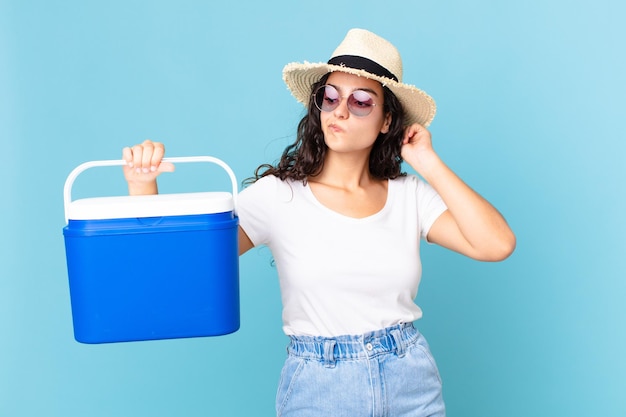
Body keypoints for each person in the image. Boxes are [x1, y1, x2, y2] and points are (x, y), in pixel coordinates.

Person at [122, 28, 515, 417]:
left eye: (361, 101)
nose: (340, 111)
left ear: (386, 121)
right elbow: (183, 266)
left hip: (410, 379)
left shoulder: (408, 194)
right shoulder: (279, 194)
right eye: (330, 97)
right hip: (321, 386)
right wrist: (143, 186)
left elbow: (495, 244)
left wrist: (428, 162)